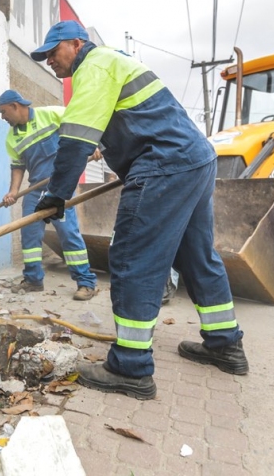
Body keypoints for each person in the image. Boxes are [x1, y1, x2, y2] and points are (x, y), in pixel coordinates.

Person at [30, 20, 248, 400]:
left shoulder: (93, 66)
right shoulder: (114, 63)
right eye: (45, 55)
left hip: (164, 165)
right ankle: (224, 345)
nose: (49, 59)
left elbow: (75, 137)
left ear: (77, 43)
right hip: (194, 159)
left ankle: (130, 367)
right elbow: (125, 122)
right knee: (197, 257)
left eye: (53, 51)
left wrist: (56, 195)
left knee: (133, 257)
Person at [0, 89, 99, 301]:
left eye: (4, 112)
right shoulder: (12, 138)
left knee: (68, 233)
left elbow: (81, 125)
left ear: (16, 106)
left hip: (59, 187)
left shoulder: (50, 114)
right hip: (35, 190)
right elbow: (18, 167)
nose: (3, 117)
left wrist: (93, 145)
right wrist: (13, 192)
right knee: (29, 234)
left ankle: (86, 283)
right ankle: (33, 280)